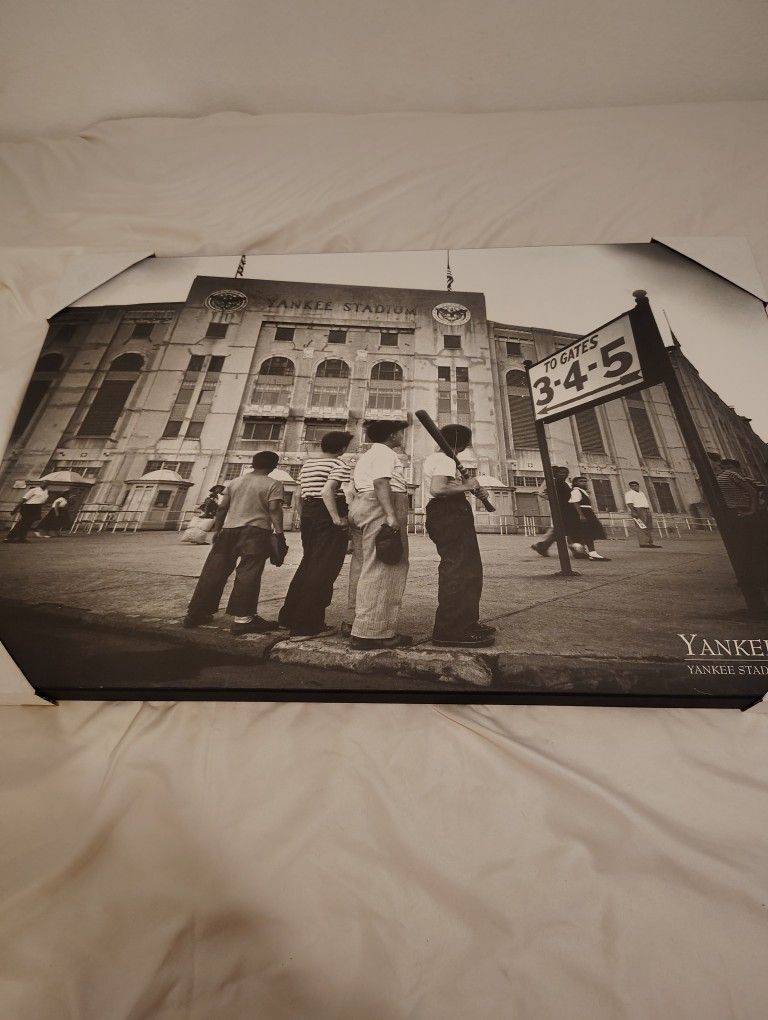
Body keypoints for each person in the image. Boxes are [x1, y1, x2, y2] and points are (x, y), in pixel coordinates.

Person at [182, 451, 285, 634]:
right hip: (256, 532)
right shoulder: (273, 484)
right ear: (274, 466)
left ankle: (196, 613)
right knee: (248, 572)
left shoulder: (235, 482)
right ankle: (243, 620)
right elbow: (274, 509)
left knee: (213, 571)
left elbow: (222, 508)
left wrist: (218, 530)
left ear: (253, 463)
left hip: (229, 531)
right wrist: (280, 533)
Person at [422, 424, 495, 647]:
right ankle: (450, 630)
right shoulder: (445, 459)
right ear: (463, 443)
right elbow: (438, 489)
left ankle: (467, 622)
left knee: (469, 570)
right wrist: (467, 486)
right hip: (448, 513)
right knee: (458, 570)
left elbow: (447, 486)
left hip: (450, 513)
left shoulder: (439, 459)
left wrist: (468, 486)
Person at [278, 430, 354, 639]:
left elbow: (297, 495)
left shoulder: (308, 465)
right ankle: (307, 626)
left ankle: (288, 617)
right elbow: (327, 492)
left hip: (310, 514)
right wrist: (336, 518)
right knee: (324, 568)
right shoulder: (339, 464)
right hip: (328, 513)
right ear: (342, 448)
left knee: (309, 563)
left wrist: (306, 517)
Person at [346, 420, 411, 650]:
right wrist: (391, 515)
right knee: (385, 566)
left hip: (363, 504)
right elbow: (381, 482)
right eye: (400, 433)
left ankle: (356, 623)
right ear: (392, 435)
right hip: (380, 505)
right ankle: (371, 633)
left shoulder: (368, 455)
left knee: (364, 564)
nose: (402, 436)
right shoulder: (384, 453)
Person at [531, 466, 580, 557]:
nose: (563, 474)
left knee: (562, 528)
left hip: (566, 507)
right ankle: (576, 550)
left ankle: (542, 545)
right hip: (559, 507)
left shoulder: (563, 482)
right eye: (560, 472)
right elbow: (542, 493)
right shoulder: (551, 481)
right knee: (562, 527)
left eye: (565, 473)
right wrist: (555, 501)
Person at [568, 477, 611, 561]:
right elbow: (575, 503)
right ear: (575, 483)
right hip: (584, 512)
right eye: (581, 481)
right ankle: (591, 552)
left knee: (590, 532)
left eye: (585, 481)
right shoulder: (576, 491)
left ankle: (580, 547)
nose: (584, 483)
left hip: (588, 511)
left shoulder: (583, 491)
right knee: (589, 532)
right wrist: (581, 515)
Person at [624, 480, 661, 548]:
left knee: (648, 526)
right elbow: (629, 503)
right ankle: (643, 543)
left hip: (646, 509)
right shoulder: (629, 493)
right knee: (641, 526)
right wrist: (633, 511)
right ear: (630, 487)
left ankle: (650, 542)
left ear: (638, 486)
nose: (634, 487)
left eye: (635, 485)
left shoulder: (641, 493)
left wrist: (648, 510)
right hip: (638, 510)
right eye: (632, 486)